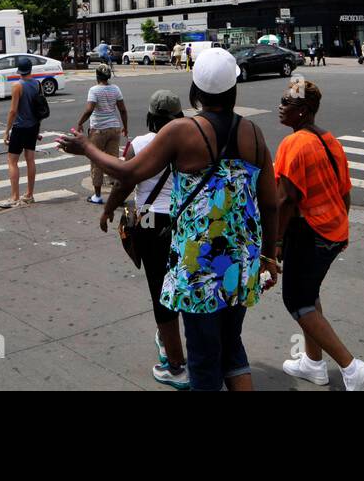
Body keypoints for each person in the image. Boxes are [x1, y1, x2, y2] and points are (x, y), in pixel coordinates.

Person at [58, 48, 280, 391]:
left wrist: (86, 147)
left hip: (199, 265)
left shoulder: (182, 131)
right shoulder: (254, 133)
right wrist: (270, 256)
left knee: (204, 362)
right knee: (232, 350)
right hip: (242, 262)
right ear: (235, 89)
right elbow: (271, 202)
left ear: (196, 92)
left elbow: (128, 171)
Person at [274, 80, 364, 391]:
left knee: (296, 300)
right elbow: (345, 192)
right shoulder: (330, 140)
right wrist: (341, 229)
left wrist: (275, 243)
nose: (280, 106)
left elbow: (285, 200)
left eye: (286, 102)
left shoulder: (293, 145)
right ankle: (313, 363)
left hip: (308, 232)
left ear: (303, 111)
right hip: (333, 230)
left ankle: (351, 367)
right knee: (310, 292)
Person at [98, 89, 189, 388]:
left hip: (150, 220)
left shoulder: (138, 144)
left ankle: (176, 365)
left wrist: (108, 210)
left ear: (150, 117)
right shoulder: (190, 141)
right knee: (182, 285)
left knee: (160, 290)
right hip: (184, 220)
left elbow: (125, 182)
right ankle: (177, 344)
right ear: (178, 116)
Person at [74, 64, 127, 205]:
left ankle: (97, 196)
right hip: (114, 128)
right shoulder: (115, 89)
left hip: (98, 130)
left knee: (96, 161)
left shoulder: (94, 90)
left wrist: (80, 123)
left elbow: (89, 110)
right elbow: (122, 110)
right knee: (114, 162)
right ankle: (117, 197)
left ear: (97, 76)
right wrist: (125, 127)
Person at [0, 57, 44, 208]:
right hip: (33, 127)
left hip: (19, 127)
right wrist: (37, 129)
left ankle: (14, 197)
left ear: (19, 71)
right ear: (30, 69)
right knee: (30, 159)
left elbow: (13, 111)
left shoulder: (17, 86)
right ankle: (29, 195)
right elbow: (40, 109)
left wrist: (6, 131)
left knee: (12, 161)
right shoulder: (38, 84)